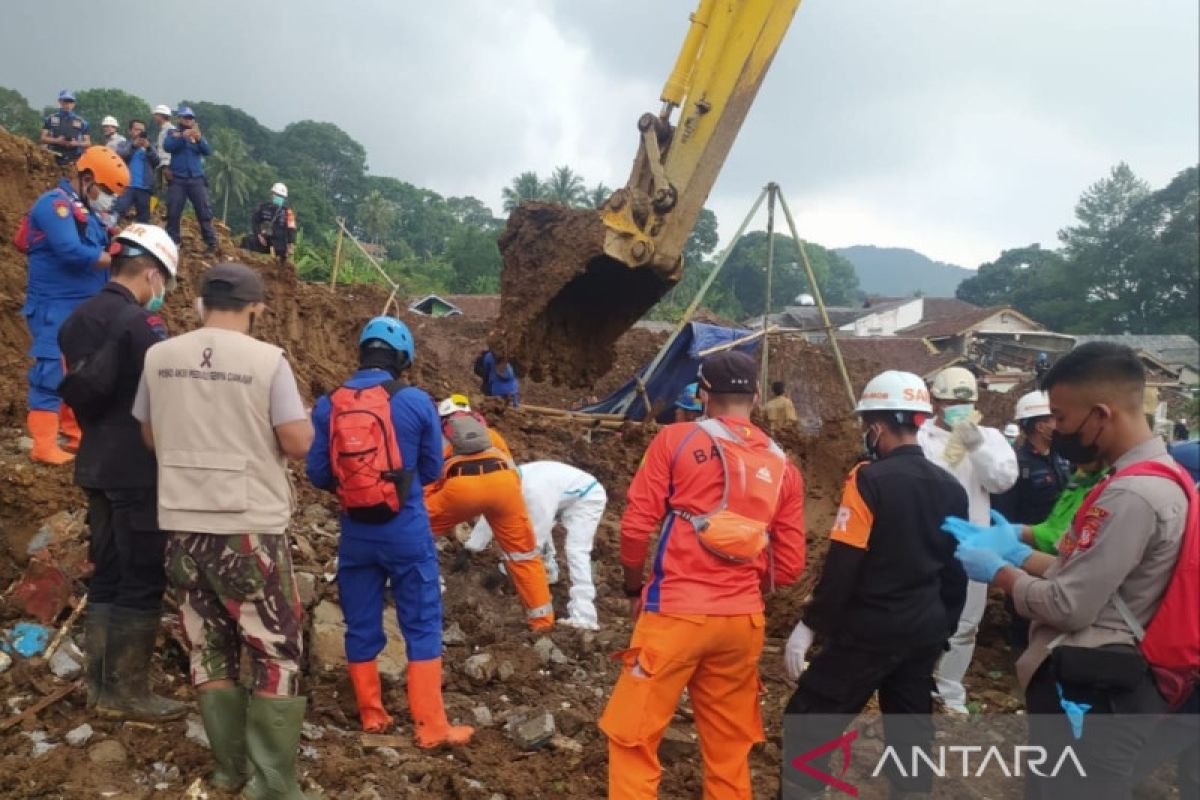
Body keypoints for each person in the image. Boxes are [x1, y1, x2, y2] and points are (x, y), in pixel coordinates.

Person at [946, 342, 1198, 798]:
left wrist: (1001, 572)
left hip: (1096, 690)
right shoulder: (1159, 476)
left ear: (1101, 414)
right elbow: (1093, 571)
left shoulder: (1131, 495)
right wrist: (1022, 553)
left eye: (1061, 418)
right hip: (1106, 683)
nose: (1057, 429)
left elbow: (1069, 606)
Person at [133, 263, 315, 797]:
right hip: (248, 527)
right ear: (256, 307)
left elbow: (149, 436)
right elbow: (298, 442)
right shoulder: (268, 361)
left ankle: (229, 770)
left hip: (182, 524)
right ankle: (274, 785)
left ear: (198, 302)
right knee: (275, 648)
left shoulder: (159, 356)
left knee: (207, 646)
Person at [598, 350, 807, 799]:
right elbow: (788, 566)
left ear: (703, 394)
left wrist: (634, 586)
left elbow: (635, 528)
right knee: (729, 749)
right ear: (755, 395)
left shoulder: (674, 440)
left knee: (633, 738)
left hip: (674, 615)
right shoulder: (783, 466)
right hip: (742, 623)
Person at [781, 371, 968, 799]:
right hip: (924, 629)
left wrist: (811, 625)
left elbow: (845, 562)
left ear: (877, 426)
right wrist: (943, 629)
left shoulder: (867, 480)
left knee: (808, 722)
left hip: (870, 629)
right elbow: (955, 570)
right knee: (910, 732)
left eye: (867, 425)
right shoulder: (952, 488)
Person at [306, 317, 474, 747]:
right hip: (406, 530)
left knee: (360, 623)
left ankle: (372, 717)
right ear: (403, 358)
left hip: (356, 533)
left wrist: (355, 488)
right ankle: (431, 727)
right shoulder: (416, 401)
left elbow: (318, 473)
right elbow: (435, 469)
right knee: (421, 623)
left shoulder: (329, 404)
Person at [58, 224, 184, 722]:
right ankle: (129, 692)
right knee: (142, 574)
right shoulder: (142, 327)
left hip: (93, 463)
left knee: (107, 570)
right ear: (152, 274)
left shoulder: (77, 318)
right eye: (163, 284)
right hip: (137, 467)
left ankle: (99, 686)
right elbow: (165, 399)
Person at [917, 366, 1017, 713]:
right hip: (925, 541)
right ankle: (916, 683)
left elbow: (1002, 480)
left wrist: (975, 446)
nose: (958, 408)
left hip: (973, 544)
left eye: (965, 402)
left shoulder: (989, 437)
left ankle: (949, 690)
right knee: (921, 616)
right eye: (950, 402)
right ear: (935, 401)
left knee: (965, 623)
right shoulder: (920, 438)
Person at [20, 146, 128, 465]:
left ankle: (74, 432)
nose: (108, 198)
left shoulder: (89, 212)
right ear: (87, 178)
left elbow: (102, 240)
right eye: (106, 190)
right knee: (50, 371)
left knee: (80, 373)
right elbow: (70, 250)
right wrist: (113, 258)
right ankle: (42, 443)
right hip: (54, 307)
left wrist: (120, 239)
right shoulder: (55, 206)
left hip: (83, 309)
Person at [424, 395, 553, 629]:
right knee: (524, 555)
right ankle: (542, 621)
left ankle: (419, 591)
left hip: (461, 490)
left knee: (415, 531)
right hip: (504, 490)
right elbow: (514, 473)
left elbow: (430, 481)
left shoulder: (439, 439)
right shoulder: (492, 435)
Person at [464, 460, 607, 630]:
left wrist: (503, 571)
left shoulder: (534, 491)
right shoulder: (505, 483)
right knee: (533, 525)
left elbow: (531, 545)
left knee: (576, 550)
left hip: (587, 495)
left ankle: (585, 615)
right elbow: (491, 513)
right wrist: (470, 548)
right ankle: (548, 572)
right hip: (561, 493)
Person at [994, 390, 1071, 526]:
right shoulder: (1016, 464)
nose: (1061, 426)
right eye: (1056, 420)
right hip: (1031, 542)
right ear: (1040, 427)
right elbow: (1005, 515)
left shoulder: (1063, 457)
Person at [1019, 460, 1110, 555]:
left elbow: (1066, 540)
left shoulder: (1109, 484)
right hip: (1045, 551)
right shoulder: (1082, 474)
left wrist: (1022, 532)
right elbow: (1054, 523)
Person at [163, 106, 218, 257]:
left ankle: (211, 243)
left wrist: (199, 139)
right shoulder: (172, 133)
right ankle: (173, 242)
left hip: (196, 178)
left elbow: (208, 151)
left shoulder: (198, 134)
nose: (188, 120)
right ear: (179, 119)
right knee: (173, 210)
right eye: (185, 117)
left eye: (190, 118)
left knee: (203, 211)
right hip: (178, 179)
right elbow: (167, 146)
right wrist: (182, 137)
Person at [113, 120, 160, 223]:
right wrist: (133, 146)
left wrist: (148, 148)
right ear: (130, 131)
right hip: (126, 186)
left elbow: (157, 161)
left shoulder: (151, 146)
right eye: (136, 129)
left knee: (143, 220)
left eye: (142, 130)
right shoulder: (124, 144)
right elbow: (120, 156)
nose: (139, 132)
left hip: (144, 187)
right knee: (117, 213)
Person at [240, 183, 296, 265]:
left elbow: (291, 229)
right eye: (277, 195)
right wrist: (259, 235)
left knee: (281, 261)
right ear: (272, 195)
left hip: (279, 244)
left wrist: (291, 244)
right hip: (263, 240)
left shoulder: (288, 212)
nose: (279, 198)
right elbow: (255, 221)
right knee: (247, 241)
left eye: (281, 197)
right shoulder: (262, 208)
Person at [40, 90, 90, 166]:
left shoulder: (82, 122)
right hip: (54, 158)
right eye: (65, 101)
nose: (68, 104)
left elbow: (88, 143)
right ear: (60, 102)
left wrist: (76, 143)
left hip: (74, 159)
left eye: (70, 102)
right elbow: (43, 138)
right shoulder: (51, 119)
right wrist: (57, 141)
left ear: (74, 104)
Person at [151, 104, 175, 204]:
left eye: (156, 115)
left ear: (162, 116)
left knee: (168, 189)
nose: (155, 117)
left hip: (167, 164)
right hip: (162, 163)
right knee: (158, 189)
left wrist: (167, 167)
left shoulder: (170, 129)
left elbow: (170, 149)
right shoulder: (163, 130)